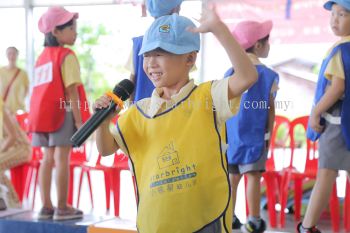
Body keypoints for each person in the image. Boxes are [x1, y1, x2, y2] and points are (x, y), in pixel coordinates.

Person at [94, 7, 258, 233]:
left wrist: (220, 31)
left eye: (161, 53)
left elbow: (247, 76)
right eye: (147, 54)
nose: (151, 62)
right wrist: (103, 123)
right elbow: (105, 149)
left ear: (190, 58)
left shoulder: (208, 97)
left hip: (206, 221)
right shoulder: (138, 112)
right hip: (156, 223)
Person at [28, 6, 87, 221]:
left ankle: (46, 206)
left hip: (40, 116)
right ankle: (62, 207)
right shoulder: (66, 56)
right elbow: (72, 90)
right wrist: (80, 122)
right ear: (56, 32)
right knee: (62, 158)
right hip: (62, 113)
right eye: (71, 28)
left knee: (47, 158)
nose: (75, 32)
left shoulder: (42, 57)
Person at [223, 20, 279, 233]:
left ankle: (228, 216)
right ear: (258, 45)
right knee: (254, 176)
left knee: (232, 177)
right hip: (256, 136)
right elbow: (270, 109)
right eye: (267, 41)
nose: (268, 45)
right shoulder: (269, 75)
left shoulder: (230, 72)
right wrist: (270, 134)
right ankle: (254, 220)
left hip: (231, 136)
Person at [300, 0, 350, 232]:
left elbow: (337, 88)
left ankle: (307, 226)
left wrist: (316, 113)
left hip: (338, 123)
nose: (335, 20)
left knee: (326, 173)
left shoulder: (340, 50)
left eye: (342, 14)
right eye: (333, 14)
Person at [125, 0, 183, 102]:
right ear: (176, 8)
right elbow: (184, 82)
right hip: (171, 110)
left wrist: (131, 107)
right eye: (146, 56)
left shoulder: (139, 43)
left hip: (141, 112)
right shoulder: (180, 43)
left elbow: (131, 81)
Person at [0, 99, 31, 209]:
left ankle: (14, 203)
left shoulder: (1, 108)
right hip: (9, 149)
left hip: (21, 148)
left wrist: (1, 152)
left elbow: (12, 137)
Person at [0, 47, 29, 114]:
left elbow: (26, 90)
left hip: (19, 110)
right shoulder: (1, 71)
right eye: (9, 53)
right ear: (6, 55)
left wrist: (19, 100)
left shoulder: (23, 73)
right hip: (3, 110)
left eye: (14, 53)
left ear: (17, 55)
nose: (12, 56)